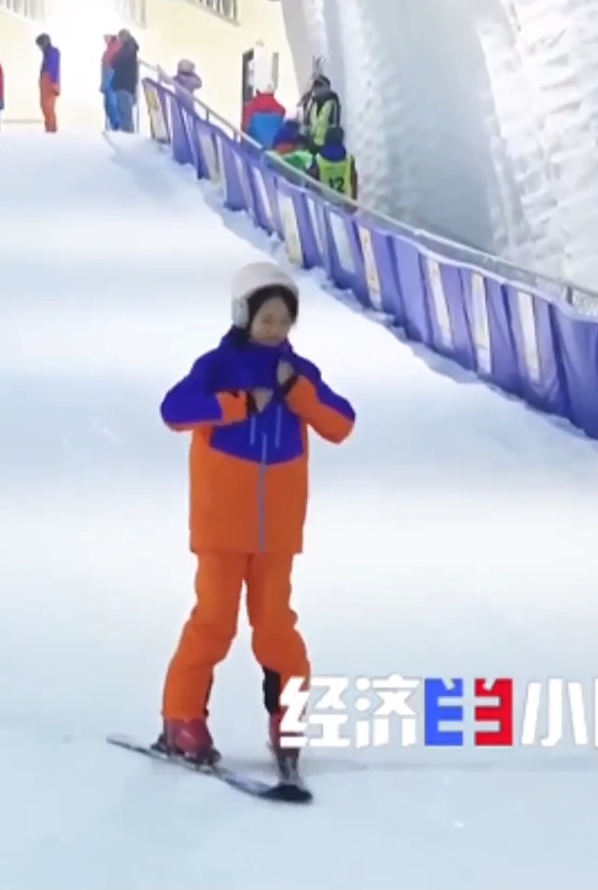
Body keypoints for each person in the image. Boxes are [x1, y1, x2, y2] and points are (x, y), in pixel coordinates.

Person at [155, 262, 355, 770]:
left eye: (285, 320)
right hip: (222, 525)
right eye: (267, 318)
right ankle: (182, 718)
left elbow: (340, 424)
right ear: (243, 314)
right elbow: (175, 410)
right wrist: (239, 405)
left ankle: (288, 720)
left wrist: (298, 393)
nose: (275, 329)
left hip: (278, 531)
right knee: (214, 623)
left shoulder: (298, 373)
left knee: (276, 629)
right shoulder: (217, 367)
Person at [107, 29, 141, 133]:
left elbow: (114, 61)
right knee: (125, 111)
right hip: (127, 84)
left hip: (123, 84)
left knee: (125, 113)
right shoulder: (131, 49)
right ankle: (127, 131)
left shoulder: (127, 50)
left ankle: (128, 132)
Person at [313, 126, 357, 198]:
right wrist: (354, 199)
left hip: (324, 200)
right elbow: (353, 180)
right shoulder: (349, 158)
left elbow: (314, 182)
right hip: (344, 200)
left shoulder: (318, 159)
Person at [299, 74, 340, 146]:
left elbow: (334, 124)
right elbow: (307, 123)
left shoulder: (332, 102)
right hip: (311, 143)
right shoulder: (312, 102)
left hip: (326, 144)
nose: (315, 89)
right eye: (315, 86)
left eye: (318, 86)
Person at [35, 34, 61, 132]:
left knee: (48, 106)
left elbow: (53, 69)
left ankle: (51, 128)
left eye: (40, 45)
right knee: (44, 106)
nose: (39, 48)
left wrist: (54, 83)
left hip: (49, 81)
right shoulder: (48, 53)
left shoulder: (52, 52)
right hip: (46, 81)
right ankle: (49, 127)